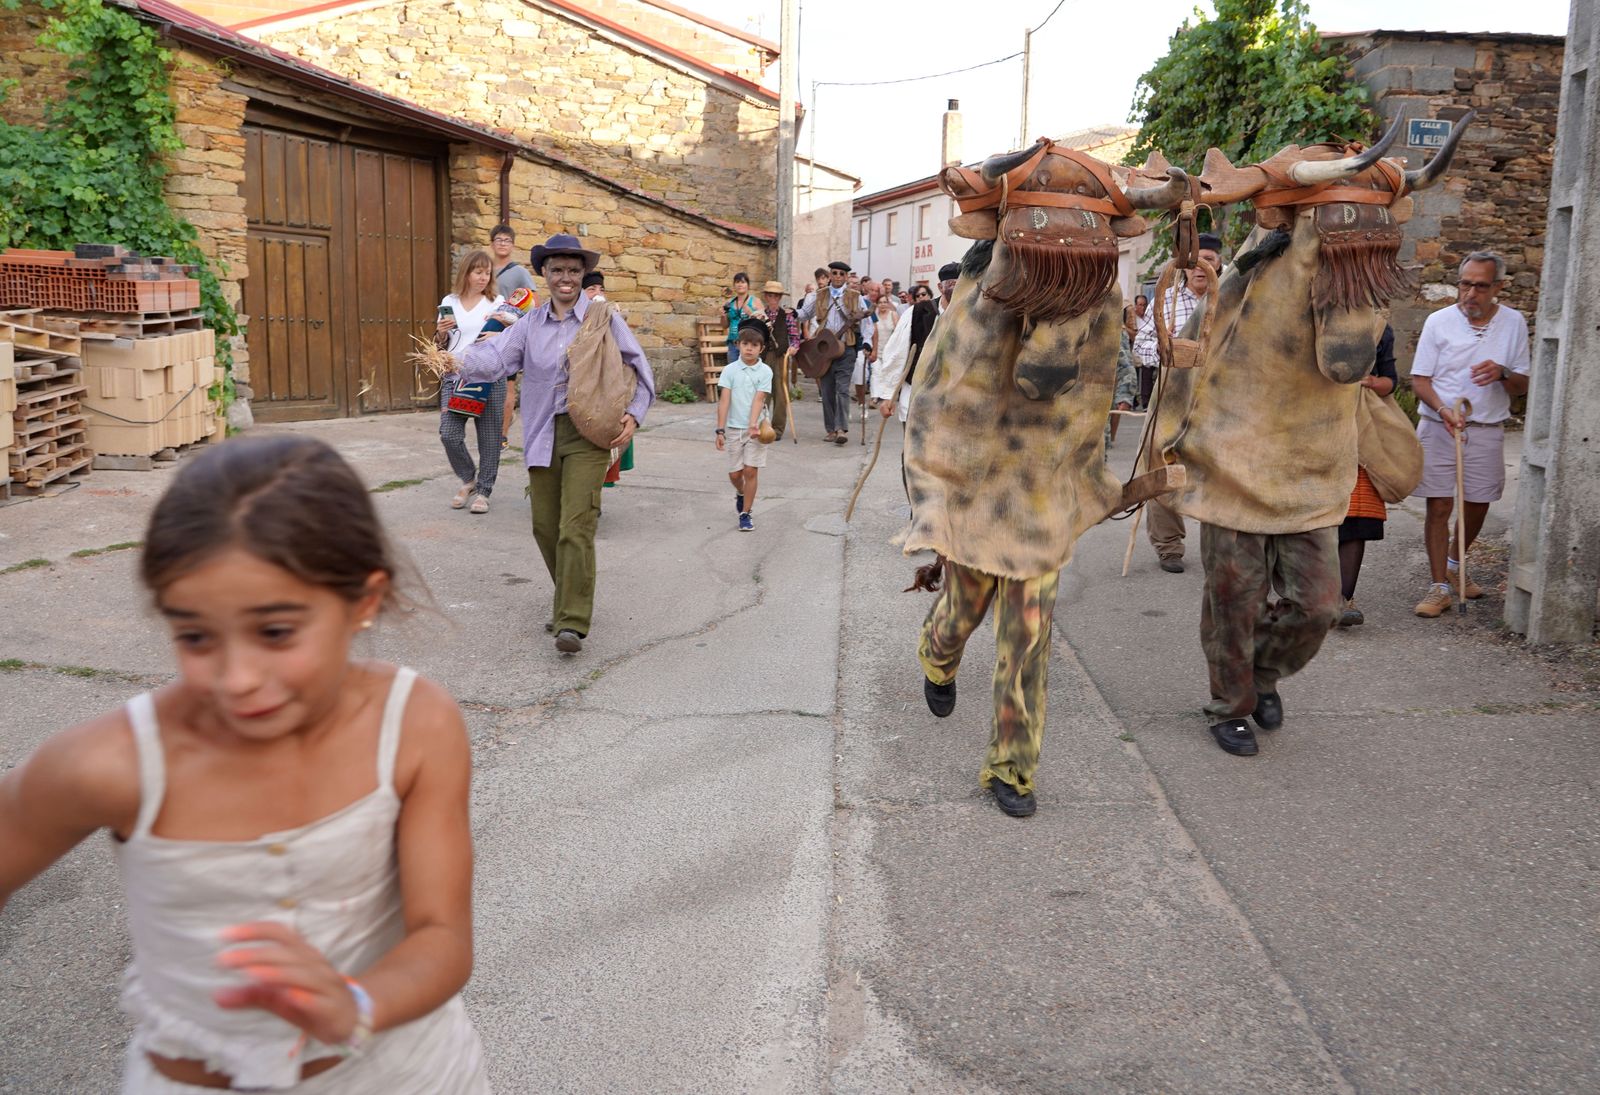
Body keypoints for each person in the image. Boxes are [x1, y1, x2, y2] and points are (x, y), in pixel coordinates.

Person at [0, 435, 488, 1093]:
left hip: (414, 1074)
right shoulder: (113, 764)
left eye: (276, 631)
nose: (236, 678)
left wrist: (357, 1003)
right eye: (196, 636)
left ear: (365, 601)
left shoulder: (414, 724)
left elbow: (442, 934)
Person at [455, 233, 655, 655]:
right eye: (558, 270)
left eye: (574, 270)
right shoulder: (530, 324)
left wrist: (634, 414)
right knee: (544, 525)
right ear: (545, 273)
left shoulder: (603, 318)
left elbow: (639, 366)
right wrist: (453, 357)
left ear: (583, 275)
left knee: (576, 524)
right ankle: (569, 598)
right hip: (543, 431)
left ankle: (572, 623)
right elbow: (496, 360)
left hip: (589, 433)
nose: (566, 278)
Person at [1409, 251, 1531, 618]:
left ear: (1498, 287)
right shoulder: (1438, 321)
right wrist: (1444, 410)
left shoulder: (1514, 323)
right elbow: (1419, 380)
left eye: (1480, 285)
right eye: (1465, 283)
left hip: (1487, 427)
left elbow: (1521, 386)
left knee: (1478, 502)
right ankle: (1438, 587)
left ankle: (1455, 565)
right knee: (1439, 504)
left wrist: (1502, 372)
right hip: (1439, 425)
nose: (1470, 293)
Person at [1133, 233, 1223, 573]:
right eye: (1195, 262)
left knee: (1221, 470)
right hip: (1171, 394)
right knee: (1161, 465)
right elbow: (1139, 349)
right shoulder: (1165, 299)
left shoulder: (1229, 299)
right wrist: (1162, 345)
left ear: (1218, 264)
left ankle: (1222, 544)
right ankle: (1169, 546)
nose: (1202, 267)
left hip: (1218, 395)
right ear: (1185, 268)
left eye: (1210, 259)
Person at [435, 248, 511, 515]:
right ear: (466, 273)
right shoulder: (450, 301)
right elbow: (443, 344)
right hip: (455, 375)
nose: (483, 277)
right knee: (449, 434)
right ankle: (469, 479)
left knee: (489, 437)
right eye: (478, 272)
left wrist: (499, 337)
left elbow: (514, 336)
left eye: (487, 273)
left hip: (490, 376)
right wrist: (441, 333)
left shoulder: (497, 302)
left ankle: (485, 491)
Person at [1336, 325, 1398, 627]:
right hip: (1310, 428)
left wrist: (1372, 382)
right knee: (1305, 516)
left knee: (1356, 516)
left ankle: (1343, 598)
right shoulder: (1306, 313)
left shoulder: (1379, 328)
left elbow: (1391, 382)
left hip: (1360, 431)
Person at [795, 260, 871, 444]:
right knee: (828, 390)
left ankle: (841, 429)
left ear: (846, 277)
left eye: (841, 274)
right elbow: (804, 313)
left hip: (847, 348)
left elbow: (867, 323)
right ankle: (830, 429)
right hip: (824, 349)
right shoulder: (818, 295)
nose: (837, 276)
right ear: (829, 275)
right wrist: (791, 313)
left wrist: (867, 342)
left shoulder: (855, 296)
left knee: (843, 389)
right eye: (834, 273)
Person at [716, 317, 773, 532]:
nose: (749, 349)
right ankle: (740, 493)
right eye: (745, 344)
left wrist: (752, 425)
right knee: (735, 474)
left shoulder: (765, 371)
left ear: (762, 348)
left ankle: (746, 513)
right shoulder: (730, 370)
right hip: (732, 428)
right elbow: (724, 401)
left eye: (755, 345)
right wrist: (720, 429)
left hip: (755, 429)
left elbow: (760, 399)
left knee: (750, 471)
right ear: (738, 344)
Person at [490, 225, 537, 448]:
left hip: (509, 331)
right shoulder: (485, 269)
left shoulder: (519, 272)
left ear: (512, 244)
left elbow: (533, 301)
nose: (502, 243)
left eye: (507, 240)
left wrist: (516, 320)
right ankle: (489, 428)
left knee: (507, 384)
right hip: (487, 330)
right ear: (492, 243)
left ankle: (502, 434)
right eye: (498, 239)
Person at [759, 279, 802, 438]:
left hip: (781, 356)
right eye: (770, 295)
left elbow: (794, 337)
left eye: (776, 296)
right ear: (766, 296)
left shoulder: (787, 316)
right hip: (763, 356)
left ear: (780, 297)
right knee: (763, 392)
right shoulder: (760, 315)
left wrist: (794, 347)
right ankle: (762, 425)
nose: (773, 298)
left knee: (780, 392)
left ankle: (777, 430)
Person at [723, 272, 763, 363]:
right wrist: (723, 316)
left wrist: (751, 313)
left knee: (749, 371)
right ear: (734, 285)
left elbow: (763, 322)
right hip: (733, 342)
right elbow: (725, 325)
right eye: (737, 282)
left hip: (749, 343)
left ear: (748, 286)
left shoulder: (755, 301)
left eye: (743, 282)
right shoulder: (730, 303)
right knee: (733, 371)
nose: (740, 284)